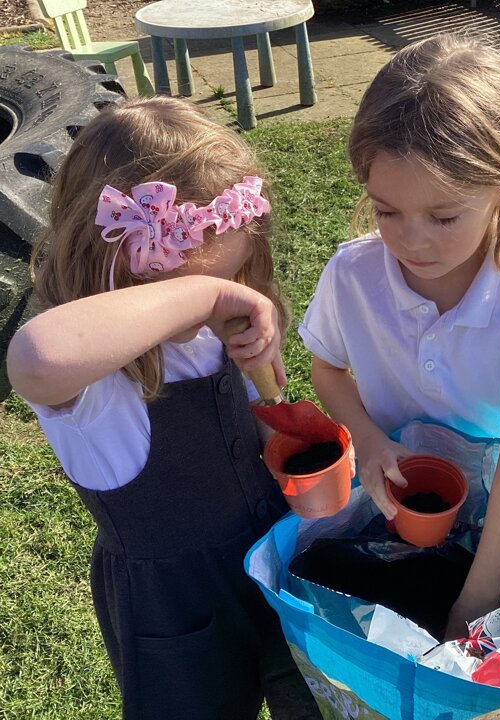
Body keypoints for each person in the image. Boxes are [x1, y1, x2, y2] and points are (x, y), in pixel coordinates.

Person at [7, 96, 320, 720]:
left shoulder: (215, 332)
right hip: (176, 617)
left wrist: (288, 442)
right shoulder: (95, 379)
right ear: (110, 260)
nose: (209, 305)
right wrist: (203, 294)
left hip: (276, 568)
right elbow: (35, 358)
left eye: (227, 279)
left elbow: (246, 430)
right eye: (185, 291)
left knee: (315, 701)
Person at [299, 33, 500, 641]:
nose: (412, 240)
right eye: (386, 211)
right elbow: (327, 368)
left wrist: (477, 599)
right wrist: (368, 438)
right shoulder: (352, 274)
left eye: (444, 216)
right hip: (388, 496)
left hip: (494, 515)